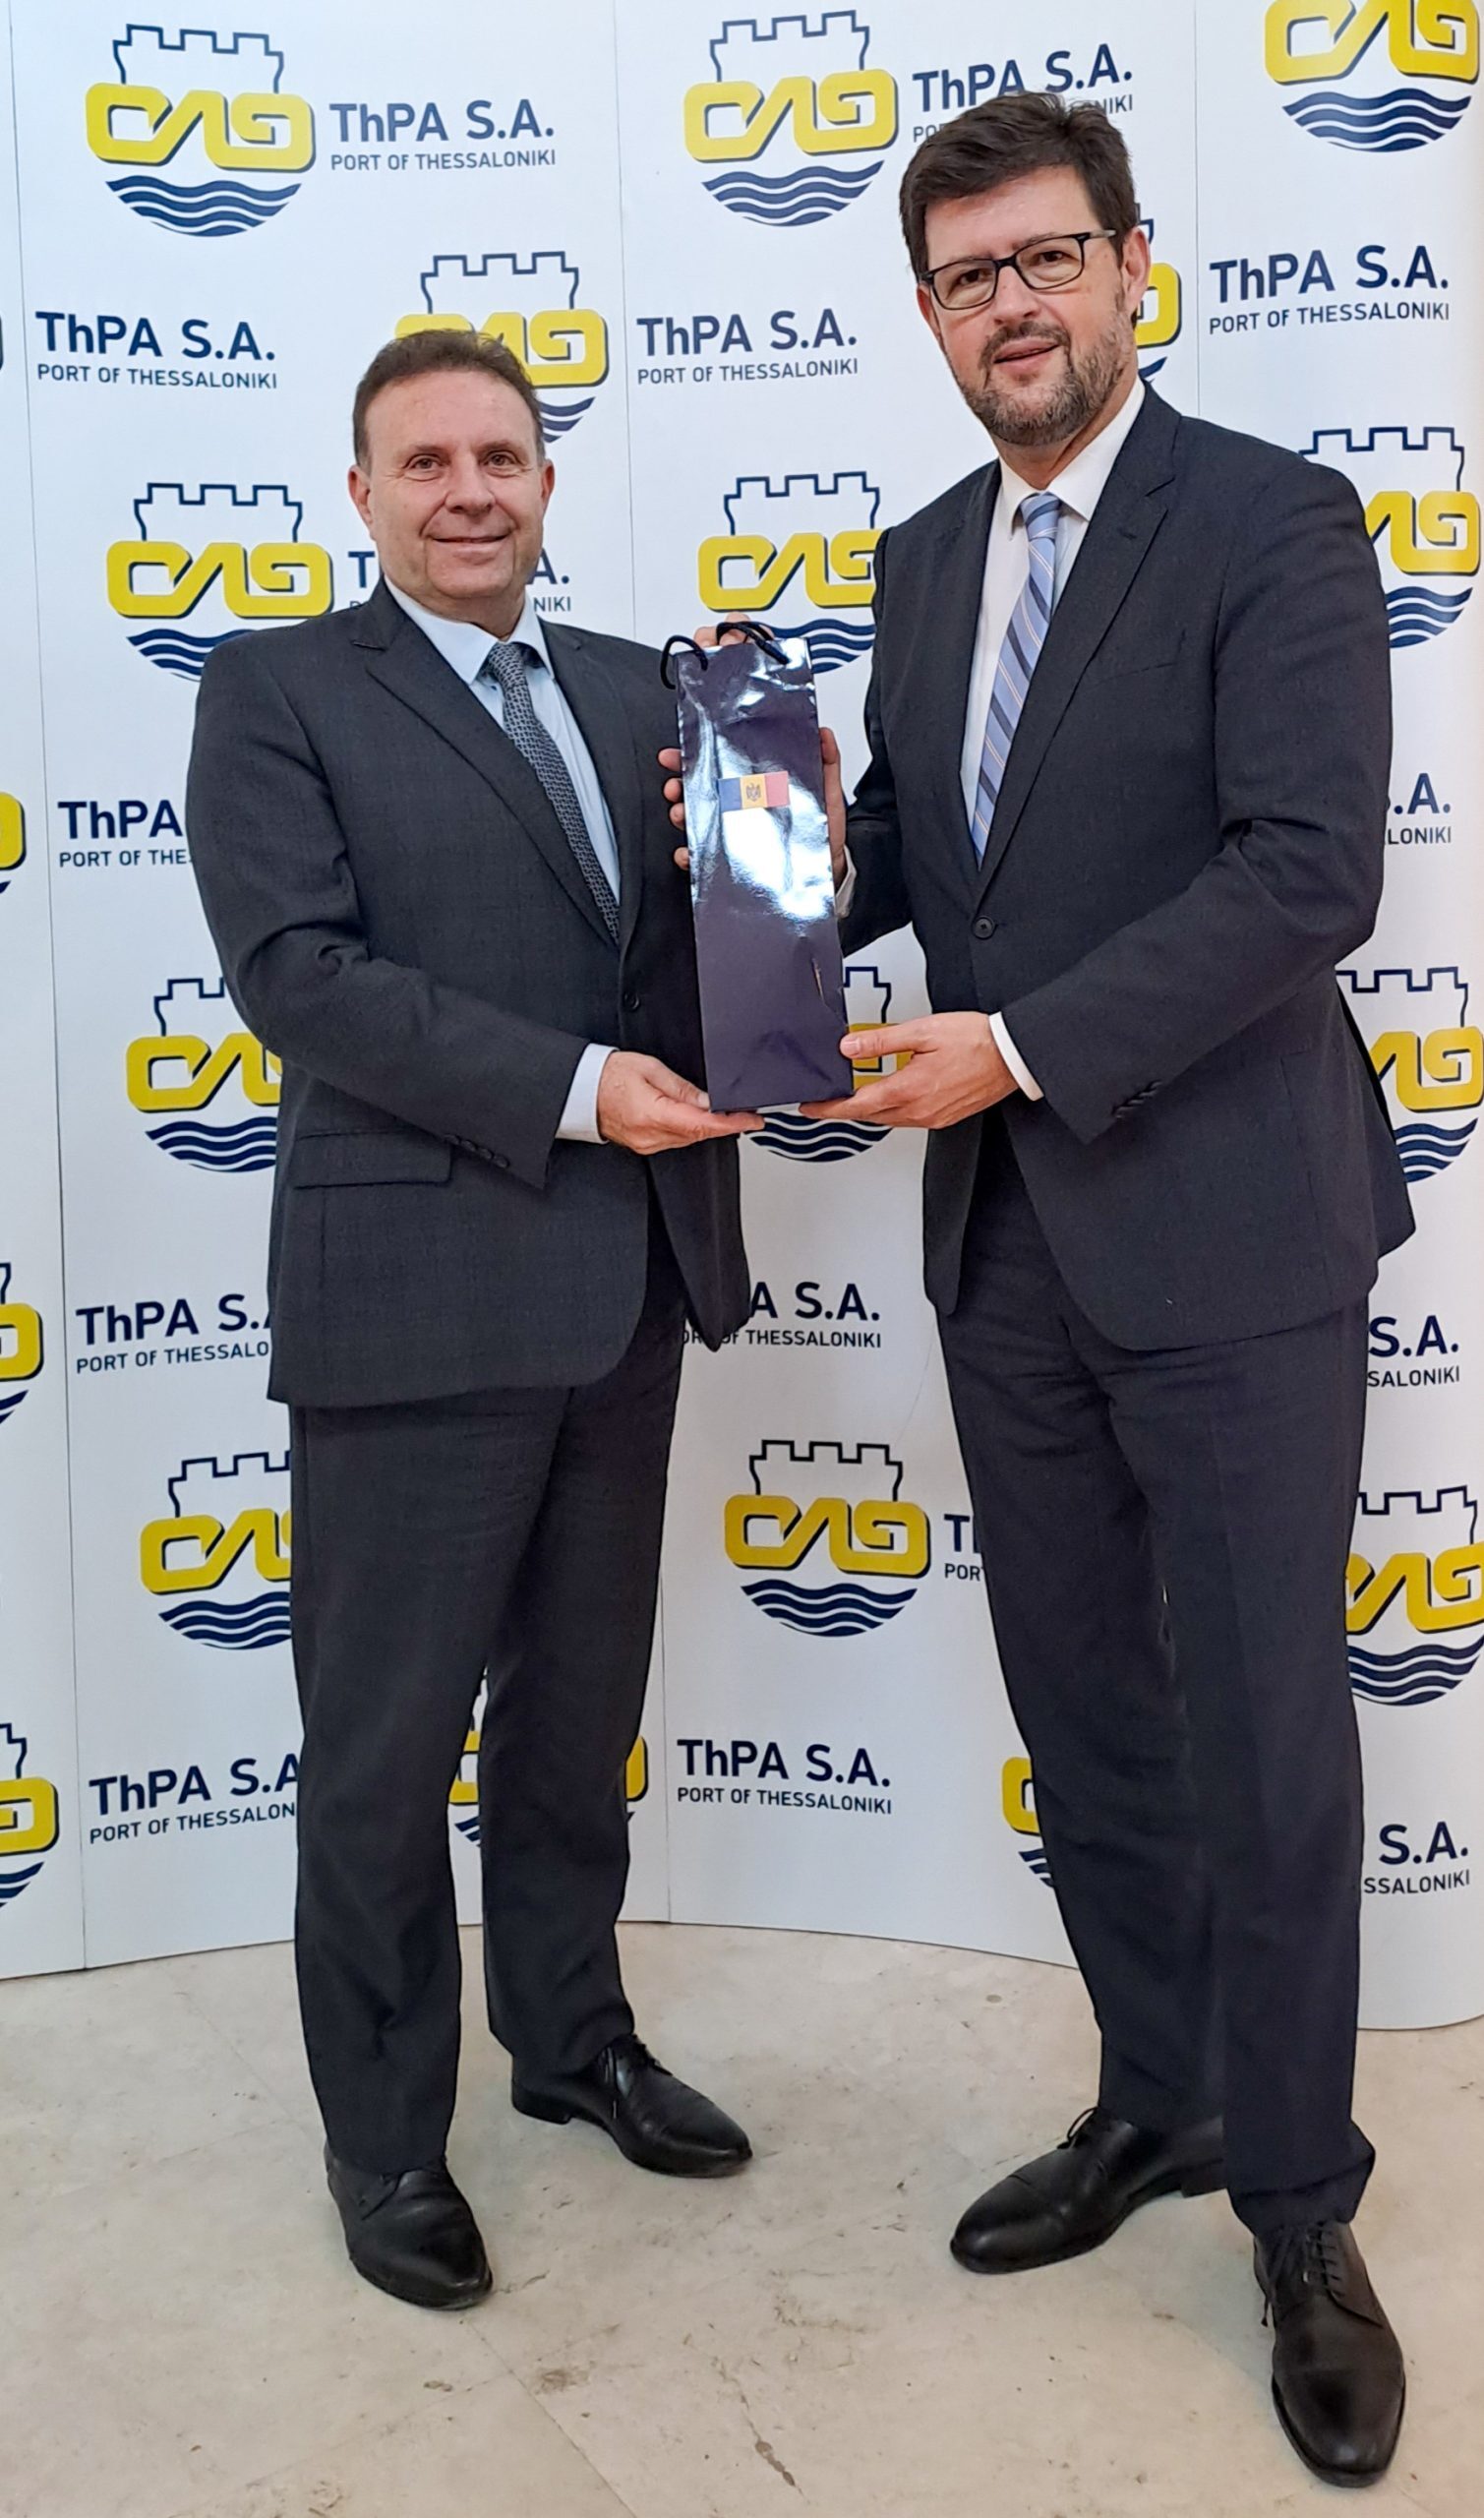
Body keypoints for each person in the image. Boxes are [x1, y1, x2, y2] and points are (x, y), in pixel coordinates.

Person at [668, 92, 1411, 2488]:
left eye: (1047, 256)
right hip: (1002, 1246)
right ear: (925, 311)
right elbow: (916, 845)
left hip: (1227, 1232)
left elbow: (1304, 871)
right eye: (967, 272)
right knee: (1084, 1719)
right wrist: (754, 838)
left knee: (1264, 1740)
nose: (1012, 301)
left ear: (1127, 267)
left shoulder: (1273, 521)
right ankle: (1155, 2094)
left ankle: (1296, 2210)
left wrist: (1012, 1046)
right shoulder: (914, 559)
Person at [187, 329, 757, 2313]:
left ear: (543, 481)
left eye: (498, 456)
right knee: (381, 1749)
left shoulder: (640, 690)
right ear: (360, 495)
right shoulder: (276, 690)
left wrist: (773, 823)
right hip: (418, 1297)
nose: (466, 490)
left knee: (577, 1719)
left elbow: (729, 943)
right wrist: (581, 1088)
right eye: (423, 461)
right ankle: (383, 2137)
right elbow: (298, 975)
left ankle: (570, 2035)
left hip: (630, 1285)